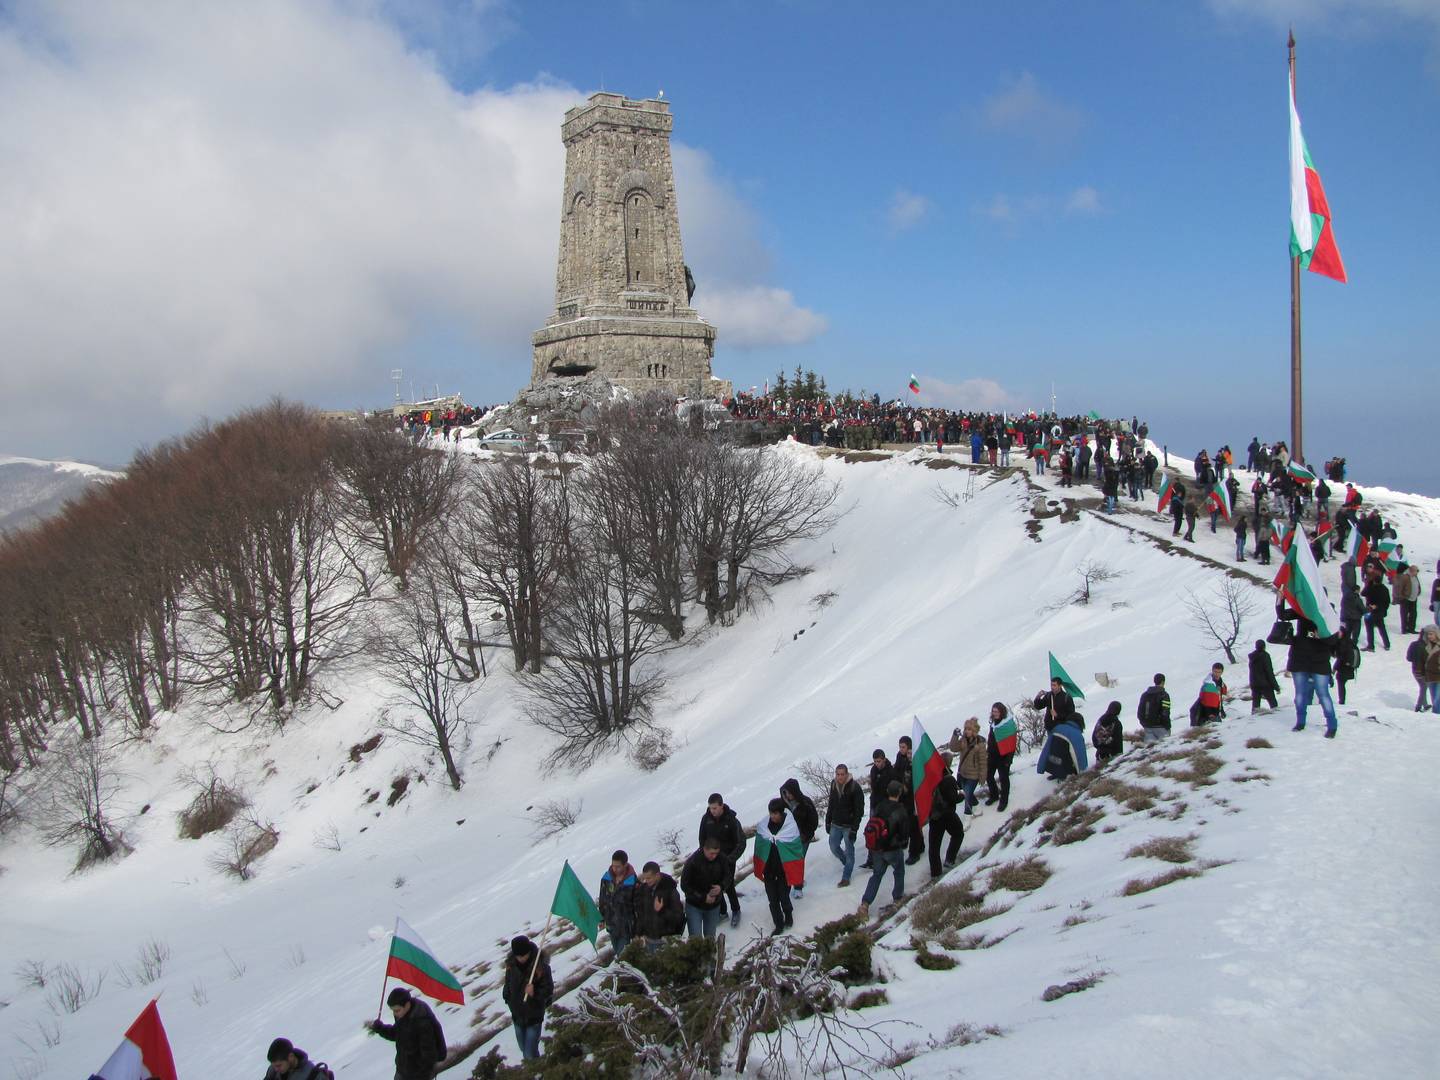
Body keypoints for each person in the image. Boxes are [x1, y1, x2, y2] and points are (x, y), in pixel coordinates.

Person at [856, 780, 909, 919]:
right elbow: (903, 832)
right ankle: (898, 899)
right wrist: (903, 843)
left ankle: (865, 904)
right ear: (899, 793)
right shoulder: (900, 810)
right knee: (898, 871)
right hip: (892, 848)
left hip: (877, 848)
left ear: (887, 791)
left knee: (877, 875)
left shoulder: (880, 806)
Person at [1281, 609, 1340, 737]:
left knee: (1323, 694)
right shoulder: (1302, 610)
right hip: (1300, 660)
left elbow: (1334, 639)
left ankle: (1332, 725)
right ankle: (1300, 722)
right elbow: (1282, 615)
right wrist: (1280, 599)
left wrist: (1320, 637)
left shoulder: (1329, 614)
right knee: (1300, 694)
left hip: (1319, 662)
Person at [364, 988, 444, 1080]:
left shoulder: (422, 1022)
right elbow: (396, 1034)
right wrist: (379, 1028)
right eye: (393, 1011)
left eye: (397, 1010)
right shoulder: (403, 1015)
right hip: (403, 1069)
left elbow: (429, 1055)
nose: (394, 1013)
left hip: (417, 1073)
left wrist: (421, 1076)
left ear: (407, 1005)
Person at [501, 936, 553, 1061]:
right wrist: (507, 996)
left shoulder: (541, 967)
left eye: (523, 955)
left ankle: (537, 1072)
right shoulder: (511, 966)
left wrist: (534, 992)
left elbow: (548, 991)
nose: (521, 958)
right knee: (523, 1048)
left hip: (534, 1017)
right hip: (517, 1016)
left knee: (529, 1054)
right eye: (518, 956)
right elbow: (507, 984)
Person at [697, 794, 745, 927]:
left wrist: (731, 858)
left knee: (728, 885)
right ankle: (722, 912)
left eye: (715, 808)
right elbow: (702, 838)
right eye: (710, 808)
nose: (712, 811)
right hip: (711, 858)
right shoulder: (706, 819)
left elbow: (741, 842)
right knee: (714, 886)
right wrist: (705, 854)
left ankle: (736, 910)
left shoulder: (731, 820)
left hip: (728, 859)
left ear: (721, 806)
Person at [755, 798, 798, 934]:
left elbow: (795, 847)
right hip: (769, 870)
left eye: (775, 813)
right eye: (771, 813)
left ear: (781, 813)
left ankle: (788, 914)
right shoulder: (764, 827)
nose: (773, 816)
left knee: (784, 897)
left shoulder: (789, 827)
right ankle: (778, 924)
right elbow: (760, 846)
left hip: (783, 870)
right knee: (772, 900)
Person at [680, 839, 732, 939]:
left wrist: (721, 887)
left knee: (710, 937)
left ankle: (711, 954)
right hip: (694, 905)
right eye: (711, 853)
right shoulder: (693, 861)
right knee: (696, 939)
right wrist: (703, 897)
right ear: (704, 849)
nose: (714, 856)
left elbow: (728, 876)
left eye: (716, 853)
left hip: (714, 905)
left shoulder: (722, 859)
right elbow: (684, 885)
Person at [824, 763, 865, 887]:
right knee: (833, 847)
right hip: (836, 823)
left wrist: (854, 829)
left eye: (842, 774)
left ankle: (846, 877)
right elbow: (831, 803)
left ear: (847, 774)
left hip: (848, 825)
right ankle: (846, 862)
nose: (840, 777)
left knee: (850, 851)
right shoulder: (833, 784)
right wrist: (827, 820)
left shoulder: (854, 787)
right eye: (838, 774)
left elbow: (859, 810)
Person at [779, 778, 818, 898]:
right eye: (786, 793)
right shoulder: (783, 805)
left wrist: (806, 835)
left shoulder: (805, 803)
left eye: (790, 793)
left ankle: (798, 887)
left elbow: (813, 821)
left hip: (803, 839)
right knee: (788, 862)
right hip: (787, 839)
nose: (788, 795)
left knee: (798, 862)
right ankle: (789, 884)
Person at [596, 849, 639, 961]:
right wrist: (601, 918)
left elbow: (636, 905)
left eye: (618, 866)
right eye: (613, 865)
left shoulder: (633, 881)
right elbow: (603, 899)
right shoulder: (606, 879)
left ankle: (625, 975)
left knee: (622, 956)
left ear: (625, 865)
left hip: (627, 927)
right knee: (617, 951)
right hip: (611, 925)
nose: (615, 869)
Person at [860, 749, 899, 871]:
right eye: (875, 761)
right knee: (872, 830)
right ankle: (871, 859)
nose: (877, 763)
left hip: (885, 805)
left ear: (884, 759)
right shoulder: (874, 770)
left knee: (884, 831)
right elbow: (874, 786)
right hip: (875, 803)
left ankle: (885, 857)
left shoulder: (890, 772)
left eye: (879, 761)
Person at [633, 861, 685, 950]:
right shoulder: (644, 890)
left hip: (666, 940)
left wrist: (661, 910)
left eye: (649, 878)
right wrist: (638, 933)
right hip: (649, 939)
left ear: (657, 875)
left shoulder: (670, 890)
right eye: (645, 879)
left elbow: (678, 917)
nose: (646, 881)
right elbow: (641, 913)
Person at [926, 761, 965, 876]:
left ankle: (935, 872)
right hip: (947, 814)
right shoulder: (949, 779)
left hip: (934, 816)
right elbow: (952, 798)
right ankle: (949, 860)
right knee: (958, 834)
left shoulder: (928, 779)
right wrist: (961, 796)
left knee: (934, 846)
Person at [894, 736, 924, 865]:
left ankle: (914, 852)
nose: (901, 750)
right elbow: (896, 773)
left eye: (903, 747)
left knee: (913, 826)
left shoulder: (914, 759)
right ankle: (920, 845)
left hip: (913, 797)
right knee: (910, 825)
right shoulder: (899, 757)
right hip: (903, 796)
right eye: (900, 747)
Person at [949, 718, 987, 814]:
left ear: (974, 730)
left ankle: (967, 816)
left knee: (967, 795)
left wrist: (982, 778)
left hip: (973, 775)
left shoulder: (980, 744)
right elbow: (953, 748)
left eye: (969, 729)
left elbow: (983, 762)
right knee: (967, 793)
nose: (966, 731)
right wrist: (954, 736)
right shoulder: (963, 740)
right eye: (965, 729)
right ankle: (977, 807)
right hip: (963, 773)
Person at [983, 702, 1014, 811]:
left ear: (1001, 712)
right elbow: (991, 738)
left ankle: (1004, 800)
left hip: (1004, 756)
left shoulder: (1007, 724)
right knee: (989, 775)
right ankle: (994, 795)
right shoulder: (993, 723)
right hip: (992, 755)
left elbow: (1011, 743)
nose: (994, 713)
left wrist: (1008, 760)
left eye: (996, 711)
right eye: (993, 711)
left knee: (1003, 778)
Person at [1406, 627, 1439, 712]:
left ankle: (1425, 705)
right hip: (1422, 671)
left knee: (1423, 687)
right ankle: (1419, 706)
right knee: (1424, 687)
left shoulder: (1413, 644)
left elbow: (1408, 658)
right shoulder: (1426, 647)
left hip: (1415, 670)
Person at [1362, 564, 1392, 651]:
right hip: (1380, 611)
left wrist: (1369, 584)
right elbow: (1387, 601)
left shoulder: (1371, 588)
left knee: (1369, 628)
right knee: (1382, 628)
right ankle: (1387, 644)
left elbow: (1363, 593)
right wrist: (1382, 609)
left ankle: (1371, 645)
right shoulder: (1385, 589)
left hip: (1371, 610)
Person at [1248, 640, 1280, 712]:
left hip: (1254, 684)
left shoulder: (1252, 657)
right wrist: (1276, 687)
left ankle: (1254, 721)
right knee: (1274, 705)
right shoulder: (1265, 656)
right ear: (1264, 646)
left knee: (1255, 706)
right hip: (1266, 684)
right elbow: (1269, 672)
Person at [1334, 626, 1362, 705]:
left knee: (1341, 683)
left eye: (1339, 632)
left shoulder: (1343, 643)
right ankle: (1341, 700)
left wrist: (1335, 668)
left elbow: (1341, 657)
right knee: (1341, 683)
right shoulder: (1350, 641)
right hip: (1349, 667)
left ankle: (1341, 701)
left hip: (1344, 667)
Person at [1395, 563, 1419, 635]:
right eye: (1416, 571)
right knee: (1404, 614)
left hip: (1414, 598)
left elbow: (1417, 585)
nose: (1417, 572)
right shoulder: (1405, 577)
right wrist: (1401, 597)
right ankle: (1404, 629)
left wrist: (1418, 591)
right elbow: (1399, 587)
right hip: (1406, 598)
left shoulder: (1415, 577)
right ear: (1411, 570)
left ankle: (1411, 628)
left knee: (1413, 614)